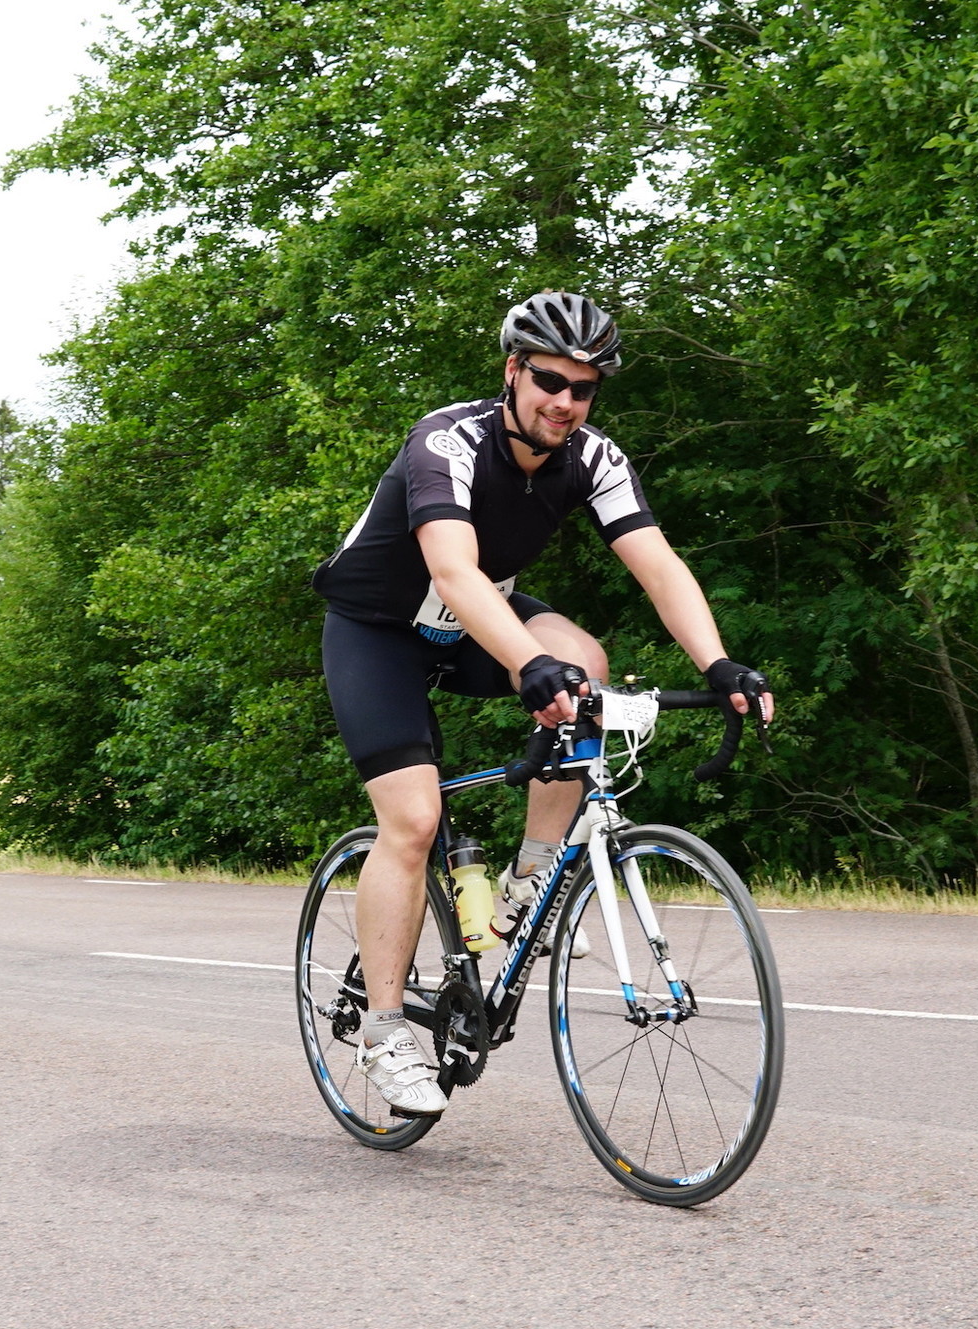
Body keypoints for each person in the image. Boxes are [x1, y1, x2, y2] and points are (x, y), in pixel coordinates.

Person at [311, 291, 773, 1117]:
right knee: (412, 820)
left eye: (584, 388)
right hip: (379, 628)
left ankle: (531, 874)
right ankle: (383, 1031)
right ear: (513, 372)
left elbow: (659, 565)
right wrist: (527, 662)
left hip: (473, 621)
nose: (565, 401)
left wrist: (720, 663)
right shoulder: (446, 441)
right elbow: (453, 570)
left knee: (585, 666)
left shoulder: (594, 457)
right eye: (550, 381)